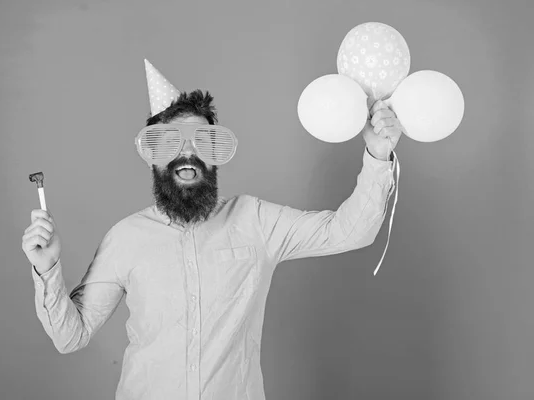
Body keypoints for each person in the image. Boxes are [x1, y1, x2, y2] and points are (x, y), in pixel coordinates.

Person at [21, 60, 402, 400]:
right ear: (153, 157)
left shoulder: (255, 221)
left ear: (216, 154)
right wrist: (47, 268)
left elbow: (351, 232)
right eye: (170, 141)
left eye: (203, 141)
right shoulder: (125, 238)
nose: (187, 153)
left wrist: (377, 154)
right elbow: (71, 336)